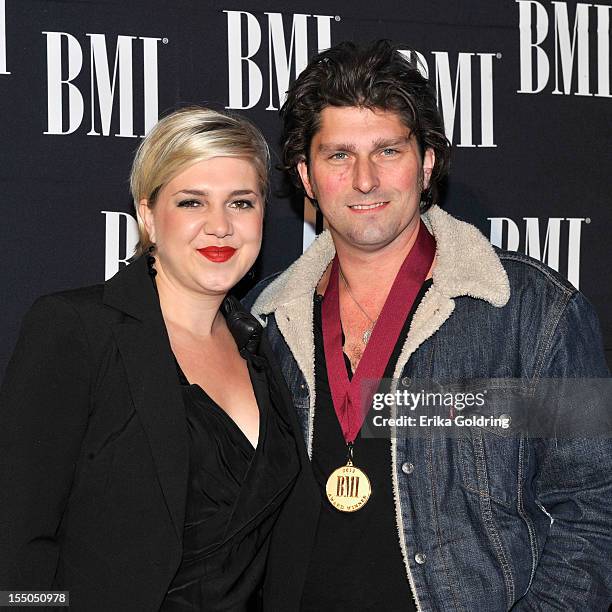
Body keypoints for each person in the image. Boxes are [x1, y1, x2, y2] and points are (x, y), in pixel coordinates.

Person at [247, 41, 612, 610]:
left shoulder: (532, 314)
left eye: (388, 150)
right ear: (306, 176)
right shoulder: (267, 326)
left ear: (428, 163)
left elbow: (591, 508)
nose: (365, 180)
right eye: (339, 155)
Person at [0, 107, 307, 611]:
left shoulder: (266, 344)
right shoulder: (78, 330)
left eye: (241, 202)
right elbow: (15, 542)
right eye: (192, 202)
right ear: (148, 214)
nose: (220, 226)